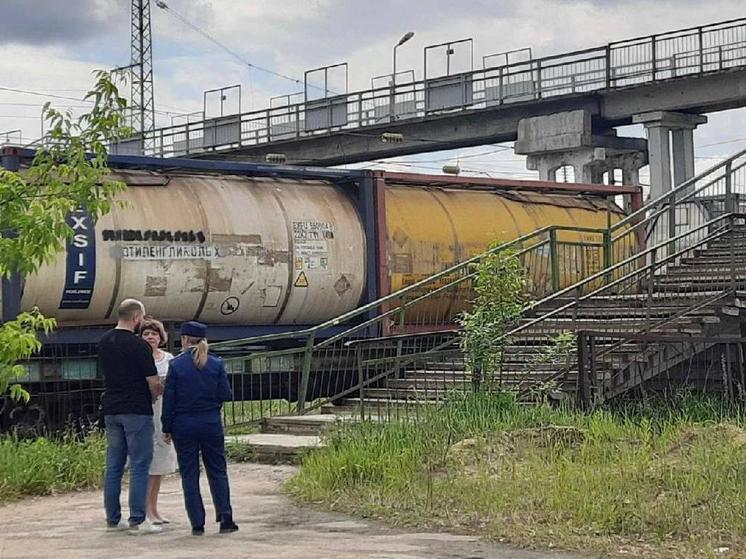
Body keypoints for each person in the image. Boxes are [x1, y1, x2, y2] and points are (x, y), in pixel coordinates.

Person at [162, 321, 238, 536]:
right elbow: (226, 394)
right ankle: (226, 518)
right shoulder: (216, 364)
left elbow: (169, 400)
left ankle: (197, 523)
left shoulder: (176, 365)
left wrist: (167, 427)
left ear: (184, 339)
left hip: (183, 425)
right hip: (210, 423)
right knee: (218, 471)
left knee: (189, 474)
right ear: (204, 340)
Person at [100, 299, 163, 534]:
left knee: (114, 465)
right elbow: (153, 382)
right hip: (136, 409)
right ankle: (138, 519)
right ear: (136, 317)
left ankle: (113, 519)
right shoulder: (139, 346)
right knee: (139, 464)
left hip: (111, 408)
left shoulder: (105, 341)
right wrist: (156, 394)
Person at [140, 318, 177, 525]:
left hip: (163, 411)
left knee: (161, 463)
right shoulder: (139, 357)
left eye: (154, 334)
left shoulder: (169, 359)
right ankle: (144, 509)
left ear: (160, 337)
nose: (150, 337)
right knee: (148, 462)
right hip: (146, 411)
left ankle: (154, 508)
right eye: (146, 334)